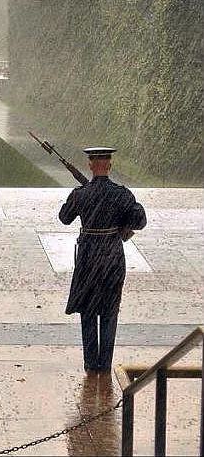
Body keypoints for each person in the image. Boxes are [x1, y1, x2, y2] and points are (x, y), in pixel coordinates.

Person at [59, 147, 146, 373]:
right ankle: (105, 364)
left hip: (88, 256)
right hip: (112, 256)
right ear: (109, 165)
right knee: (109, 311)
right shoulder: (122, 194)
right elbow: (139, 220)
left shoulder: (81, 193)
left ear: (90, 165)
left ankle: (90, 363)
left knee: (88, 311)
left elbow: (64, 218)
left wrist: (79, 197)